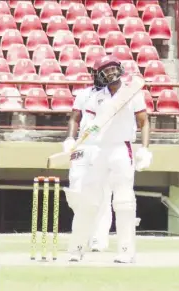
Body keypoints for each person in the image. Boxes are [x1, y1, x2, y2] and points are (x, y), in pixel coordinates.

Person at [66, 56, 152, 263]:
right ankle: (77, 247)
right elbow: (85, 121)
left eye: (110, 69)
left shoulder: (133, 93)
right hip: (97, 149)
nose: (108, 74)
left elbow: (144, 122)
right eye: (104, 71)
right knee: (88, 199)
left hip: (121, 148)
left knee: (123, 200)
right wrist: (71, 139)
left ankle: (125, 250)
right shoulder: (96, 96)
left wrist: (145, 149)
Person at [63, 56, 115, 253]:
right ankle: (82, 233)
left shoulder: (116, 96)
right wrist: (70, 139)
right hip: (82, 147)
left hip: (104, 147)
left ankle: (98, 239)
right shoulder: (83, 94)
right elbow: (75, 118)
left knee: (103, 194)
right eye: (102, 71)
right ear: (95, 74)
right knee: (76, 190)